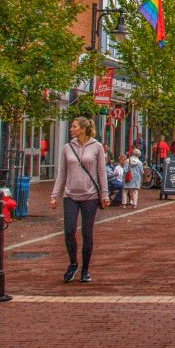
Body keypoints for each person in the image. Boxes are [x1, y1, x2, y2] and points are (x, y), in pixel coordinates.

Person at [50, 116, 108, 283]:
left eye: (74, 127)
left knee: (87, 233)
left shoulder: (97, 147)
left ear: (82, 129)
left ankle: (85, 269)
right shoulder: (67, 147)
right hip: (70, 195)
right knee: (69, 231)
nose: (71, 129)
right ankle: (73, 263)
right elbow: (62, 172)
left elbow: (102, 172)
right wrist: (55, 195)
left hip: (90, 196)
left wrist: (104, 194)